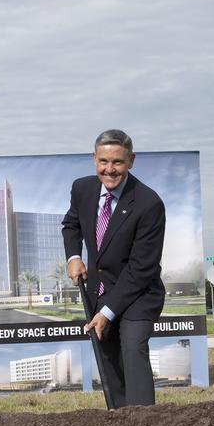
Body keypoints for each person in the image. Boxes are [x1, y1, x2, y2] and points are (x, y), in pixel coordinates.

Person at [62, 129, 166, 407]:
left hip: (139, 294)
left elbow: (141, 269)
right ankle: (120, 421)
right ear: (94, 158)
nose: (110, 169)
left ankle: (143, 421)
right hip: (100, 290)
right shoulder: (82, 189)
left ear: (131, 160)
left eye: (118, 162)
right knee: (108, 359)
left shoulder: (149, 204)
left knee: (132, 348)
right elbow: (71, 224)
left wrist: (107, 313)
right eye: (103, 161)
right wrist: (74, 256)